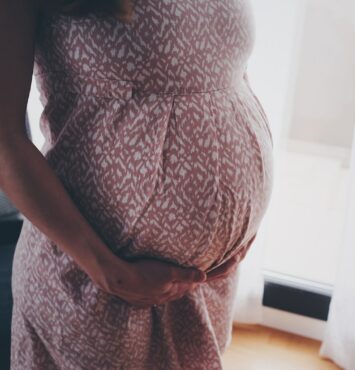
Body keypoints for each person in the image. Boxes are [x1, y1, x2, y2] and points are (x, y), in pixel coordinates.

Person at [0, 0, 274, 368]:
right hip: (97, 284)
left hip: (203, 287)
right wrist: (111, 273)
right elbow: (5, 141)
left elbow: (224, 71)